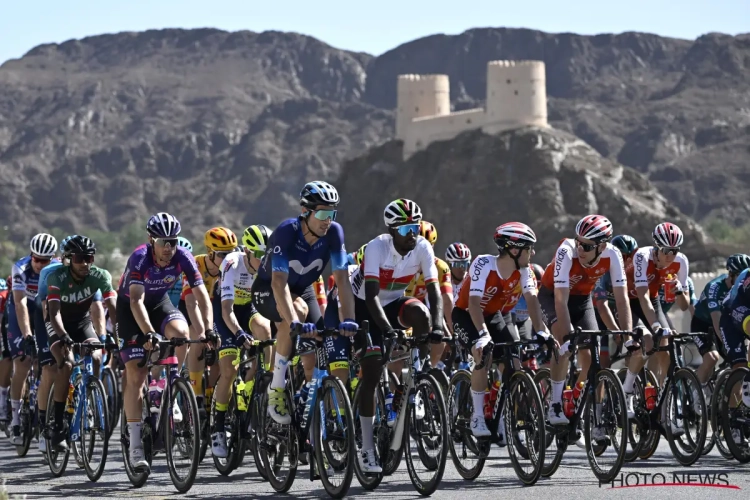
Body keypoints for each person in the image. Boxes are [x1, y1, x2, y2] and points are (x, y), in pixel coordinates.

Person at [251, 181, 358, 426]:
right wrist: (295, 322)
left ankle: (310, 405)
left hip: (303, 290)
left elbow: (342, 279)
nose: (327, 220)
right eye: (322, 213)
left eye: (332, 213)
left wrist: (349, 318)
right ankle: (276, 388)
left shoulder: (334, 233)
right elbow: (279, 283)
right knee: (295, 316)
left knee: (321, 338)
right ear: (305, 212)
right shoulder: (287, 231)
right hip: (269, 289)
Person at [351, 198, 444, 473]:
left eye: (414, 227)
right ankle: (367, 448)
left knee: (422, 316)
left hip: (393, 301)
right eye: (405, 230)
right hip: (364, 307)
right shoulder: (377, 247)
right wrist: (389, 331)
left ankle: (418, 373)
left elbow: (435, 293)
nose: (412, 234)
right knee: (373, 369)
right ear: (392, 231)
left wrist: (437, 327)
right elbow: (370, 296)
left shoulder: (423, 247)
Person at [117, 212, 215, 471]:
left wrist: (208, 329)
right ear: (151, 240)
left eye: (173, 241)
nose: (169, 248)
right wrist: (149, 332)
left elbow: (201, 294)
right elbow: (136, 301)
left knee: (182, 335)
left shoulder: (183, 256)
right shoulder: (140, 258)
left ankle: (170, 385)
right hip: (131, 309)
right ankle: (136, 444)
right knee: (137, 375)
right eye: (163, 242)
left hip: (159, 303)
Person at [452, 222, 552, 439]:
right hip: (467, 314)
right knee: (483, 356)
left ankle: (504, 415)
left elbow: (533, 302)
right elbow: (474, 302)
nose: (533, 253)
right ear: (514, 250)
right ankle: (478, 415)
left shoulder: (525, 271)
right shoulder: (483, 264)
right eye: (529, 248)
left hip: (494, 315)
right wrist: (483, 335)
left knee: (514, 364)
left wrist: (542, 331)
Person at [538, 215, 632, 434]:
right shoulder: (566, 251)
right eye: (578, 241)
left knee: (591, 358)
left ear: (602, 246)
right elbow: (560, 300)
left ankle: (574, 401)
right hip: (553, 296)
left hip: (582, 300)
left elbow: (621, 298)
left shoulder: (613, 255)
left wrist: (626, 336)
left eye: (587, 246)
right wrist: (567, 333)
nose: (580, 248)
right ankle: (555, 404)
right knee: (564, 346)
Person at [46, 235, 118, 451]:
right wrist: (63, 336)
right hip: (57, 323)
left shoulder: (100, 275)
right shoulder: (56, 276)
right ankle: (58, 425)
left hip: (81, 322)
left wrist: (120, 335)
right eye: (79, 258)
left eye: (89, 257)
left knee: (97, 355)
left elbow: (112, 308)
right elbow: (54, 313)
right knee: (66, 364)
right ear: (68, 259)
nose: (85, 263)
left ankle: (89, 395)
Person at [210, 224, 273, 458]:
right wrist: (237, 334)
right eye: (258, 255)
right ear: (247, 251)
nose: (263, 260)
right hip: (226, 310)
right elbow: (226, 310)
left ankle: (256, 386)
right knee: (229, 369)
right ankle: (217, 427)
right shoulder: (231, 264)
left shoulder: (267, 266)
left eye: (266, 255)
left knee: (266, 333)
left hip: (248, 308)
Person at [6, 233, 58, 445]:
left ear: (52, 259)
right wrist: (27, 334)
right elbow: (19, 305)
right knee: (23, 362)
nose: (39, 264)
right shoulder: (20, 267)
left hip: (42, 309)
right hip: (21, 308)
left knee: (49, 363)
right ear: (31, 255)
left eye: (44, 260)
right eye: (36, 259)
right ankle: (16, 420)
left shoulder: (56, 269)